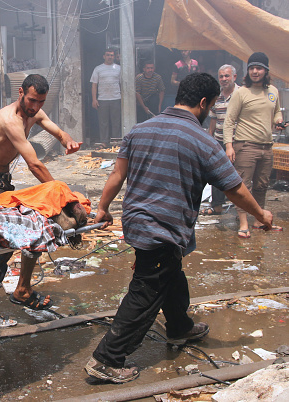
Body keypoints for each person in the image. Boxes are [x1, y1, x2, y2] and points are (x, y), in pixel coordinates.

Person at [84, 73, 273, 384]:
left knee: (170, 273)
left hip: (137, 221)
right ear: (203, 103)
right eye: (211, 106)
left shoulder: (139, 129)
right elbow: (234, 188)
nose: (209, 112)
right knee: (146, 290)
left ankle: (179, 327)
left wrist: (103, 208)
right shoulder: (203, 141)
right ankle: (105, 359)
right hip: (163, 226)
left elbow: (117, 175)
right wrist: (261, 215)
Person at [0, 73, 82, 327]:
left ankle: (23, 290)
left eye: (40, 102)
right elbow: (33, 163)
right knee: (4, 239)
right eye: (32, 100)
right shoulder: (9, 120)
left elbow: (57, 130)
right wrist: (60, 193)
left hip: (2, 181)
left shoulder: (34, 112)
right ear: (20, 92)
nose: (35, 107)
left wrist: (68, 140)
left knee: (37, 225)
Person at [223, 52, 286, 238]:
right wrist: (229, 146)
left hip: (267, 146)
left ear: (266, 71)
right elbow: (229, 121)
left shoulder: (273, 91)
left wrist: (279, 120)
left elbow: (275, 113)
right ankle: (243, 223)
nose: (255, 72)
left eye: (258, 68)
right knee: (243, 186)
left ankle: (259, 220)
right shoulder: (241, 93)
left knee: (262, 185)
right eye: (251, 68)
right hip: (245, 146)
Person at [202, 64, 239, 216]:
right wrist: (209, 139)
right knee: (217, 174)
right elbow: (213, 119)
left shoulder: (241, 94)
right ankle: (217, 206)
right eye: (221, 76)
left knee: (239, 175)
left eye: (227, 76)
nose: (224, 79)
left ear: (234, 77)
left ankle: (240, 210)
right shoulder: (217, 96)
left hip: (238, 140)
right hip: (219, 141)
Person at [91, 48, 121, 146]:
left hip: (116, 98)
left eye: (112, 55)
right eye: (108, 55)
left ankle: (115, 141)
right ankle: (104, 141)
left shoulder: (119, 68)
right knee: (103, 122)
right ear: (104, 56)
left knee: (116, 121)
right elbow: (94, 85)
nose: (110, 57)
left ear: (114, 57)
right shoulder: (98, 69)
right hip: (102, 99)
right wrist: (94, 99)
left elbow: (122, 84)